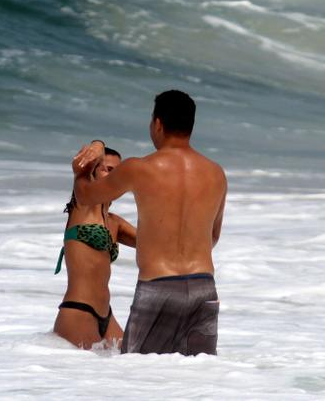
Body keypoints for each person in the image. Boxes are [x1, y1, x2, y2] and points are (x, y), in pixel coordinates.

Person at [71, 90, 227, 356]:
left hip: (158, 286)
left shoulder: (138, 168)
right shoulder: (216, 173)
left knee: (135, 375)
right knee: (199, 378)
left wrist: (85, 164)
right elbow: (212, 237)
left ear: (158, 124)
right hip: (204, 287)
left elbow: (85, 196)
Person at [53, 144, 137, 350]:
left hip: (106, 315)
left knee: (134, 364)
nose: (112, 177)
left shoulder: (114, 222)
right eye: (107, 169)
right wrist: (98, 144)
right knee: (86, 378)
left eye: (117, 173)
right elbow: (79, 165)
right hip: (79, 312)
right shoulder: (82, 206)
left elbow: (157, 243)